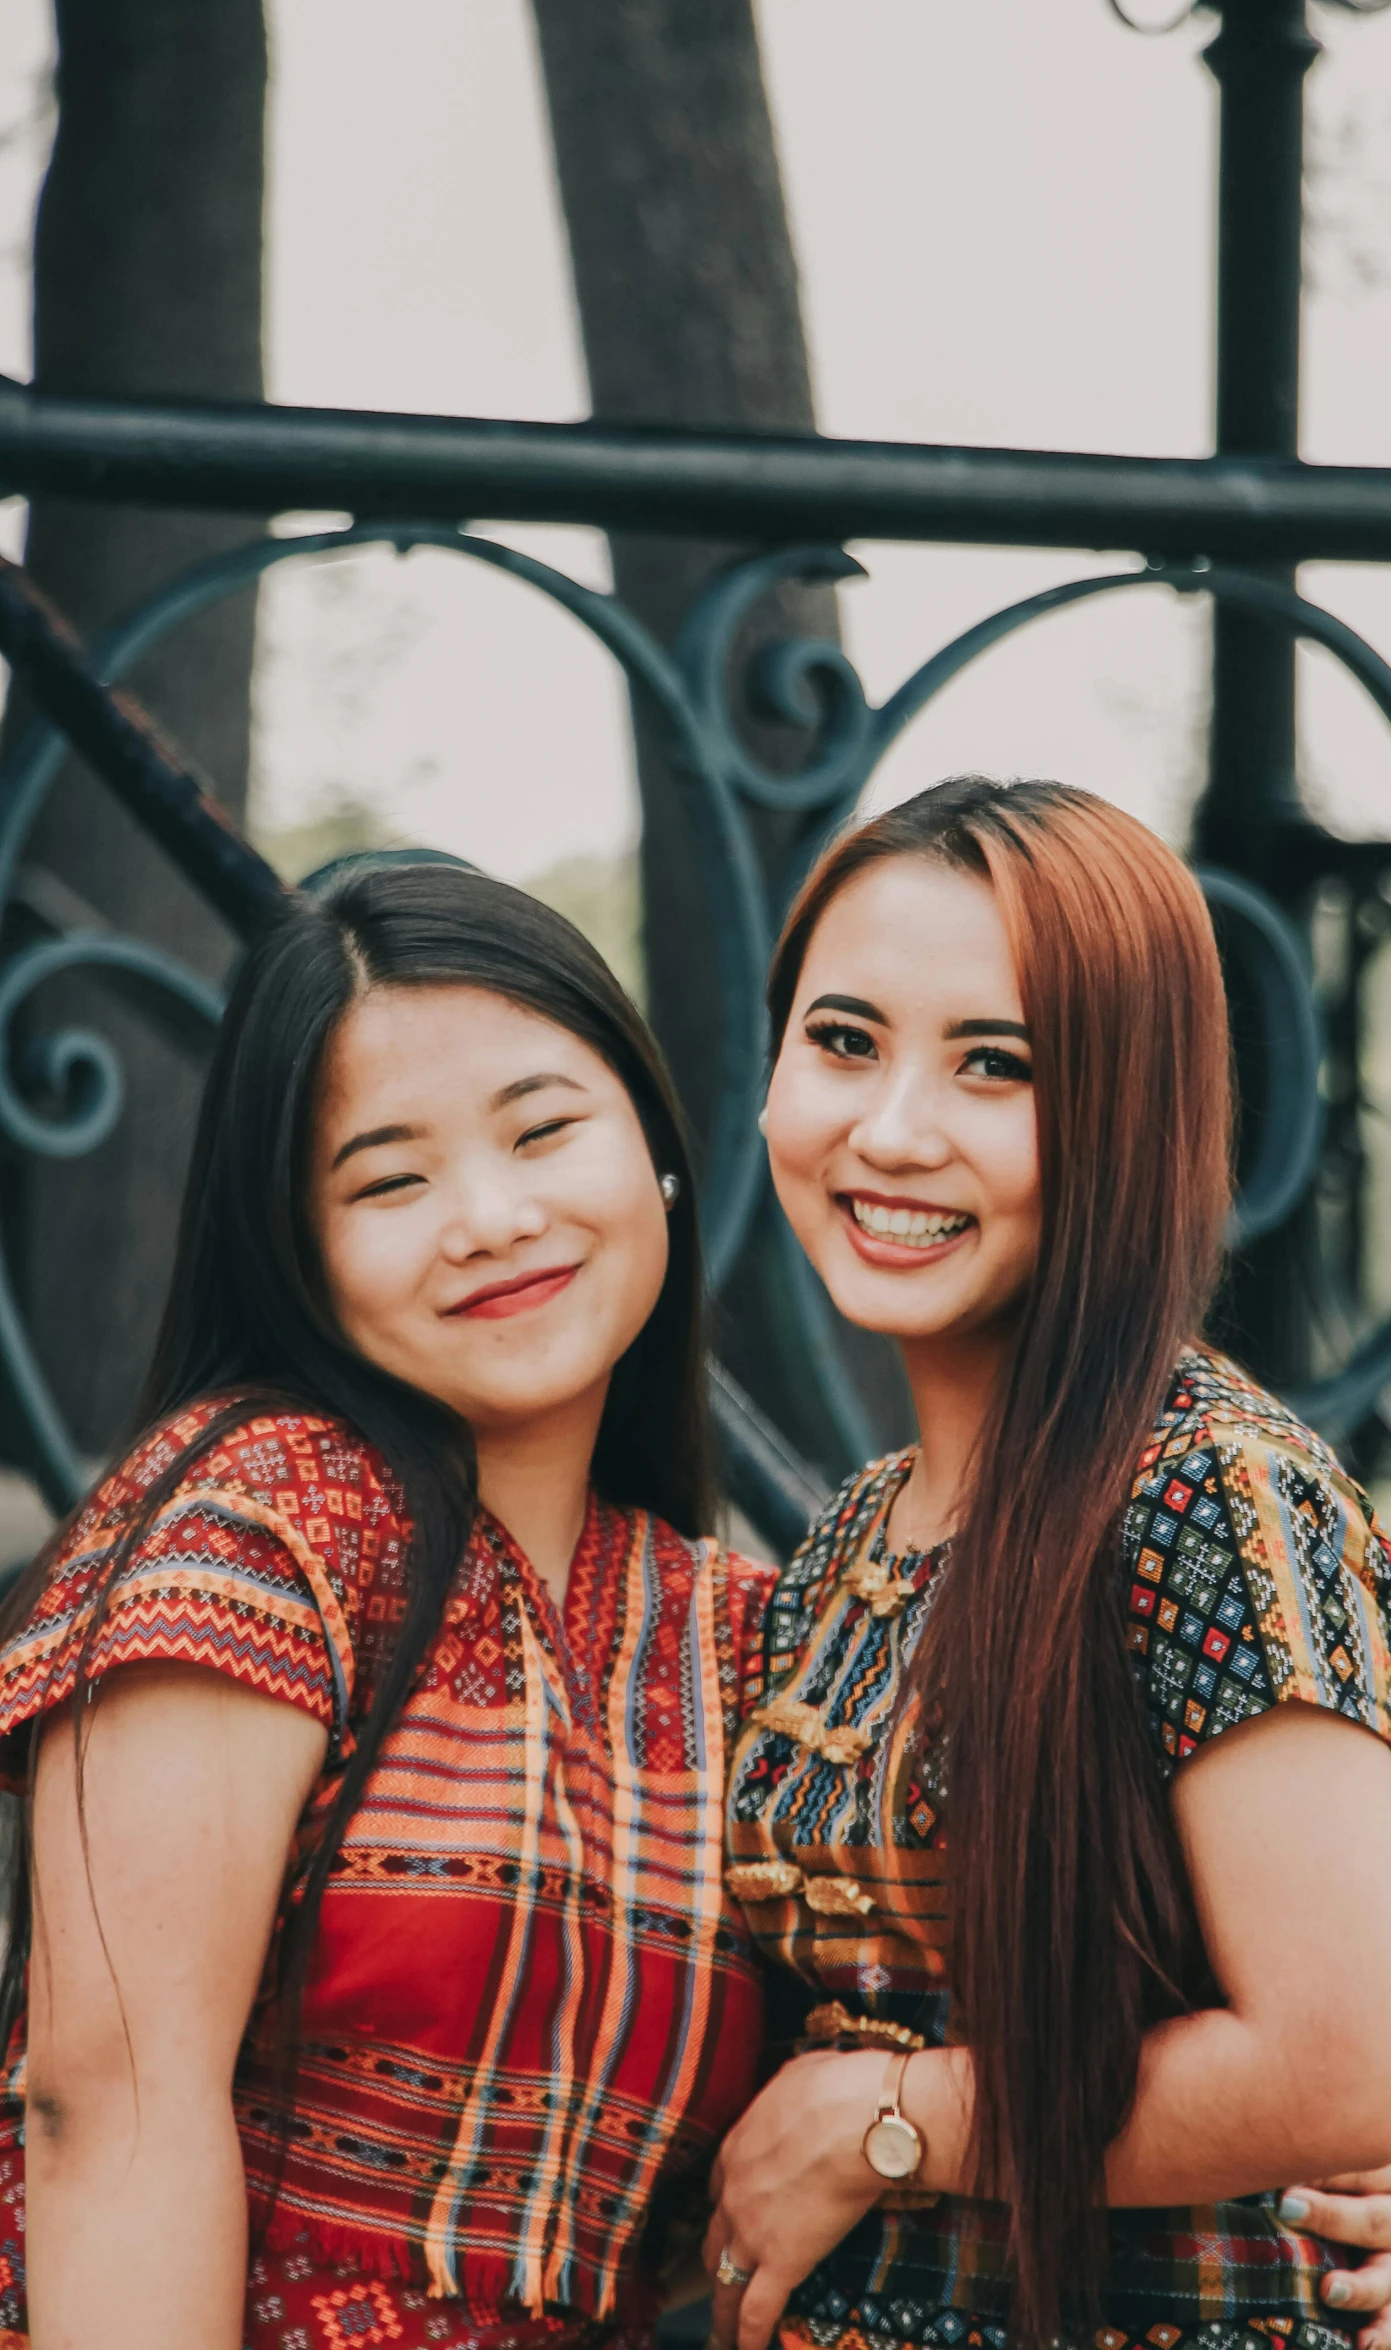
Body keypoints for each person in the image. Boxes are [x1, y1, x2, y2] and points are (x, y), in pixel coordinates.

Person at [0, 865, 774, 2350]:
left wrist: (1337, 2180)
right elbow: (108, 2104)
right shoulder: (264, 1508)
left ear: (655, 1152)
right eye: (388, 1177)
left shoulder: (734, 1629)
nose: (489, 1216)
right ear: (301, 1252)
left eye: (545, 1129)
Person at [707, 779, 1391, 2350]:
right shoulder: (849, 1534)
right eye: (841, 1041)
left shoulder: (1213, 1497)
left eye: (995, 1065)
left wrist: (887, 2120)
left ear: (1129, 1106)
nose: (889, 1130)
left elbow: (1336, 2065)